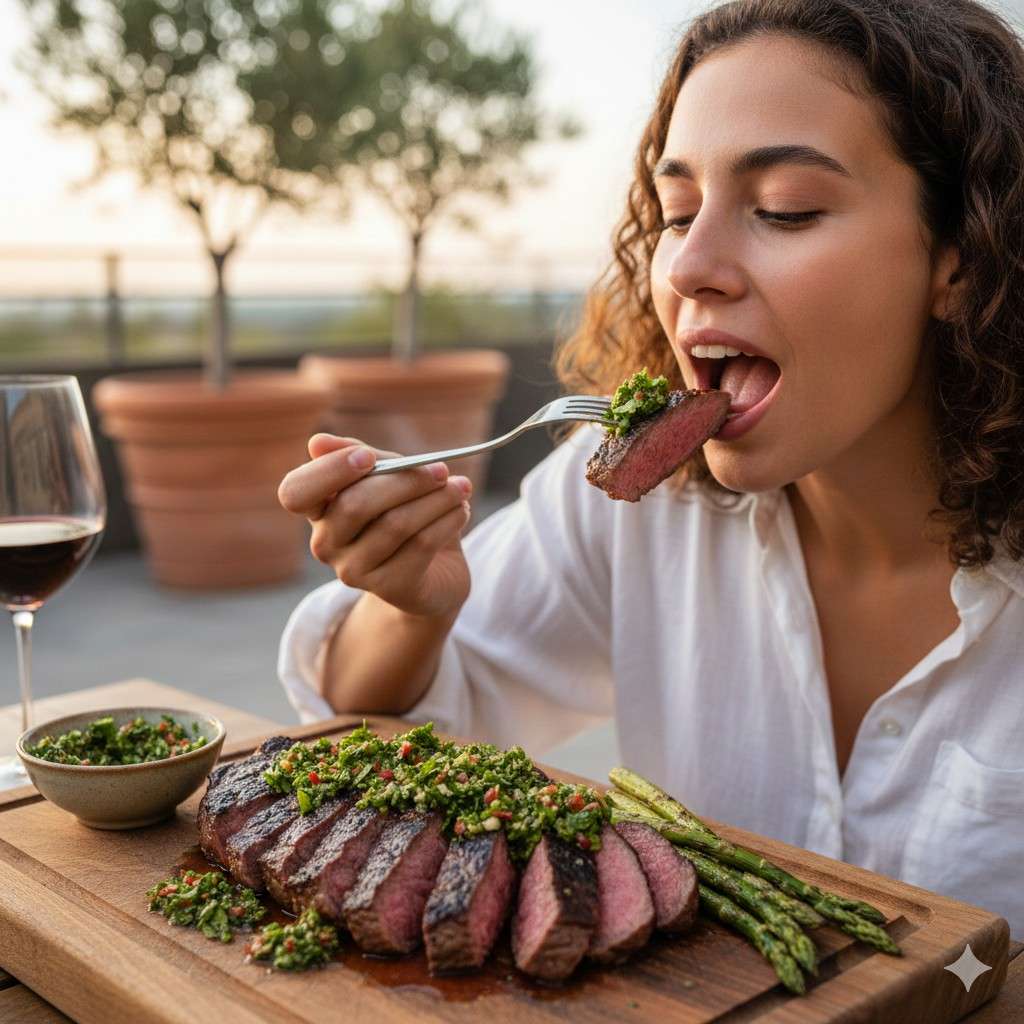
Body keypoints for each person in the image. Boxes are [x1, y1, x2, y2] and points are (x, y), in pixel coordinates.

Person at [276, 0, 1024, 936]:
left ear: (961, 255)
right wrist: (408, 602)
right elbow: (373, 734)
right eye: (677, 213)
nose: (689, 266)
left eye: (784, 209)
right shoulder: (636, 499)